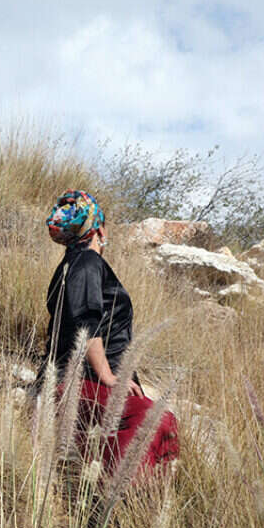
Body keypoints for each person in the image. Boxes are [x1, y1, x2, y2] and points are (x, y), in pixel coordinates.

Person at [44, 190, 180, 477]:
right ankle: (120, 494)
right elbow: (86, 321)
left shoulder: (69, 266)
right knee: (157, 421)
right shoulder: (87, 262)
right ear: (99, 230)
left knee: (151, 428)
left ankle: (125, 491)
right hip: (85, 382)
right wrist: (107, 376)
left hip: (76, 384)